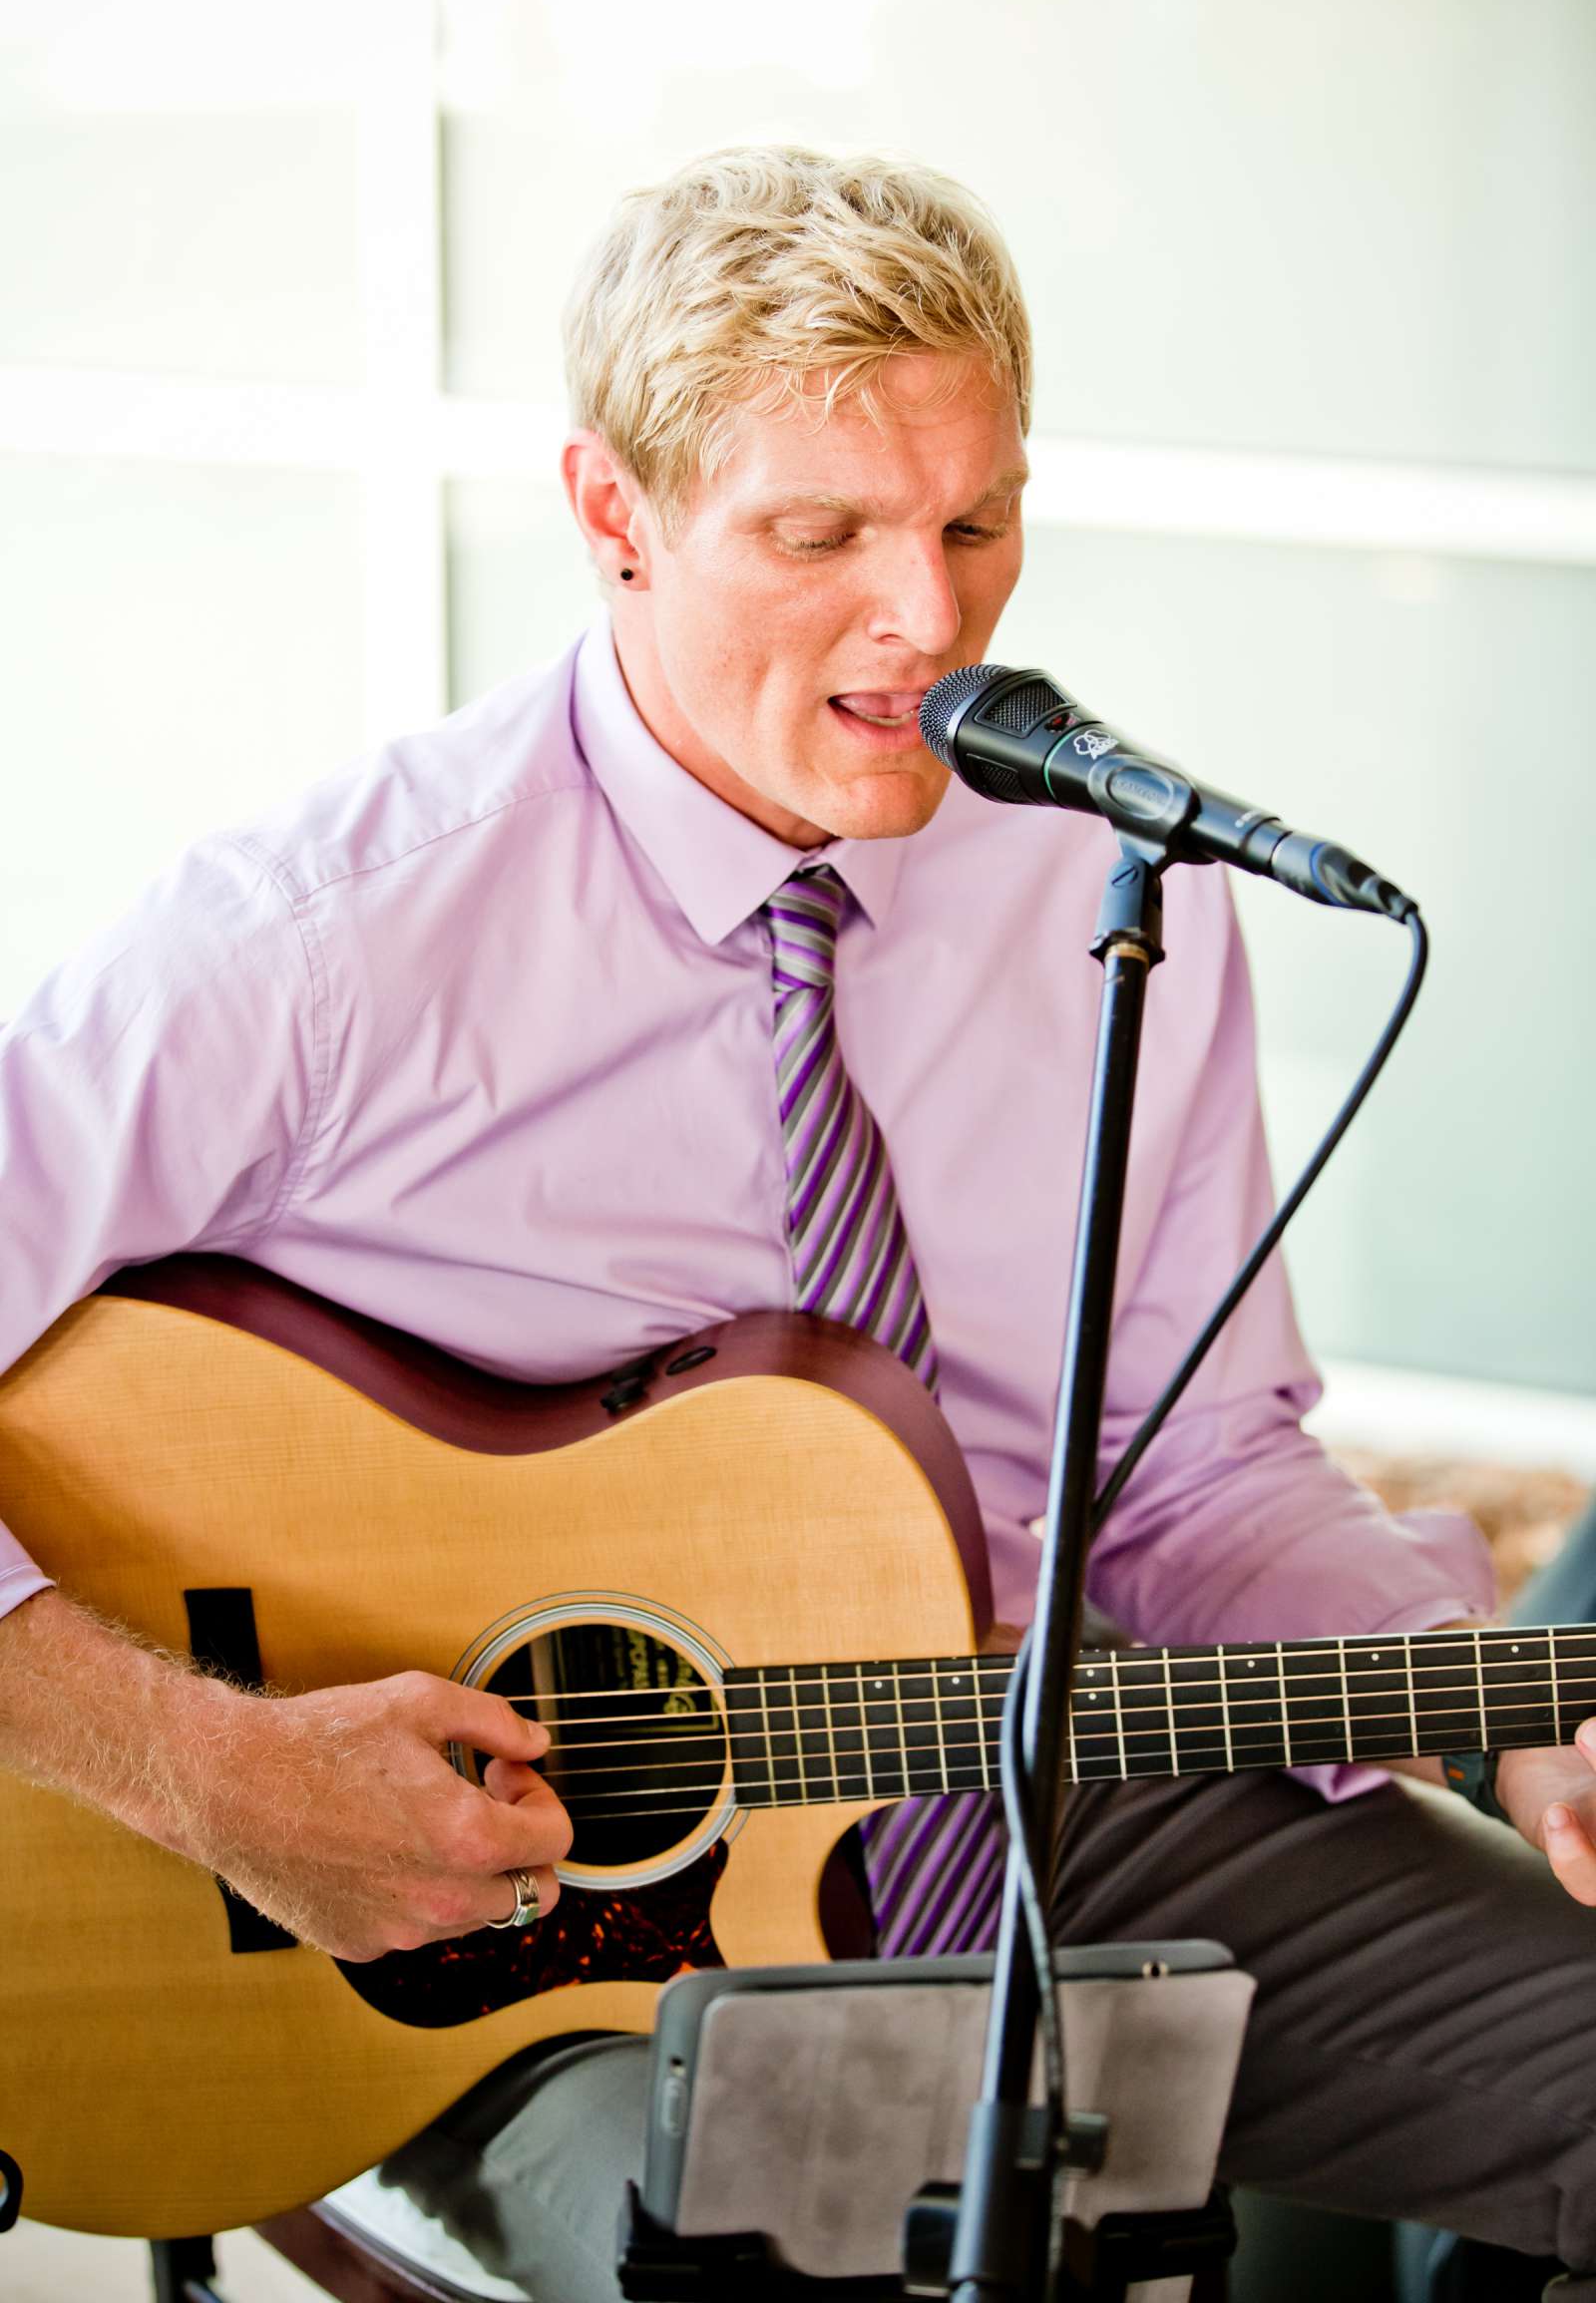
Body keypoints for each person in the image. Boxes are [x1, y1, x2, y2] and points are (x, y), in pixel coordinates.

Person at [1, 145, 1594, 2301]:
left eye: (972, 522)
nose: (925, 618)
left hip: (1042, 1792)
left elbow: (1198, 1471)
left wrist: (1495, 1707)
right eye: (817, 535)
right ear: (611, 517)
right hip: (504, 1943)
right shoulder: (312, 943)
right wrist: (218, 1773)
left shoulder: (1119, 897)